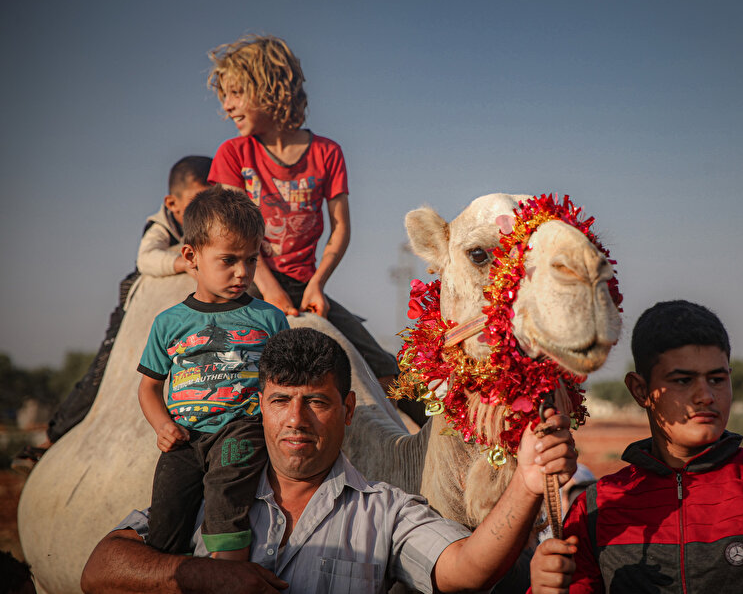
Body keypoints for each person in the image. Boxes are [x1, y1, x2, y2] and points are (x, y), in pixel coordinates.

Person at [81, 327, 578, 593]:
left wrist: (528, 483)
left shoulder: (386, 511)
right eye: (280, 402)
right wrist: (210, 576)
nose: (295, 420)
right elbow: (101, 568)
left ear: (347, 409)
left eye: (316, 402)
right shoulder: (212, 490)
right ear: (260, 408)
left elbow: (468, 571)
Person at [530, 300, 743, 594]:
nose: (706, 395)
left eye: (717, 379)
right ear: (640, 390)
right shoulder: (596, 508)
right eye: (683, 380)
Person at [205, 34, 401, 396]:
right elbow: (233, 233)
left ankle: (436, 444)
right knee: (225, 372)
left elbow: (341, 227)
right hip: (249, 282)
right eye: (225, 97)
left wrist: (318, 284)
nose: (227, 107)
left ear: (271, 90)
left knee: (386, 369)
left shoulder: (328, 152)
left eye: (236, 94)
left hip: (305, 284)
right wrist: (269, 289)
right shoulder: (232, 154)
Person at [11, 156, 211, 475]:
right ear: (172, 203)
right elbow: (146, 258)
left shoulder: (213, 225)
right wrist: (182, 263)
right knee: (100, 373)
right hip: (133, 309)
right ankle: (51, 439)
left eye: (213, 198)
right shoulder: (161, 225)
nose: (206, 208)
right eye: (197, 200)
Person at [136, 186, 289, 561]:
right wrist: (162, 427)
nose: (242, 273)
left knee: (226, 496)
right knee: (166, 511)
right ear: (191, 256)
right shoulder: (168, 323)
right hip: (185, 438)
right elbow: (149, 388)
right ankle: (169, 576)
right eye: (228, 260)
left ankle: (231, 576)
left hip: (242, 428)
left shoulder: (269, 319)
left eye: (251, 260)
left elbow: (285, 383)